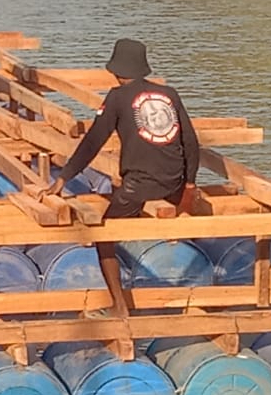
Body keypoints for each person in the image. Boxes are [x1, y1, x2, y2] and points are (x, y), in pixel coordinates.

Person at [29, 39, 200, 317]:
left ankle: (119, 306)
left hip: (139, 185)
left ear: (116, 71)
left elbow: (93, 141)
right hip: (174, 179)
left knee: (105, 237)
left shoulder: (118, 97)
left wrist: (63, 179)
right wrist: (189, 184)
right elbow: (191, 143)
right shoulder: (169, 93)